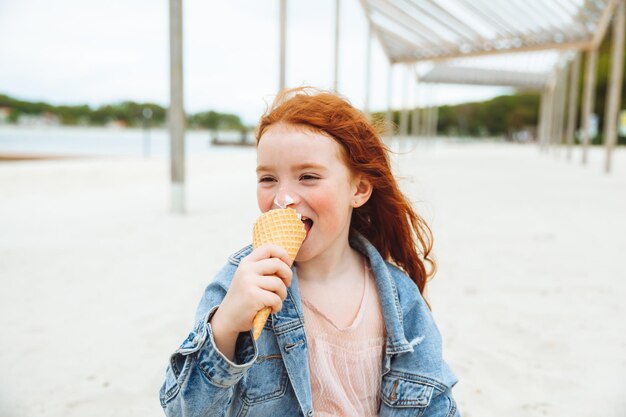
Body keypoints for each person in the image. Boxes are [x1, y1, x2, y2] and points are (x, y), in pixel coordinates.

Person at [159, 87, 460, 417]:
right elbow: (184, 410)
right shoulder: (238, 283)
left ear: (358, 189)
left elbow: (434, 404)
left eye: (308, 176)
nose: (283, 198)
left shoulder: (399, 297)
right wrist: (227, 325)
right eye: (268, 178)